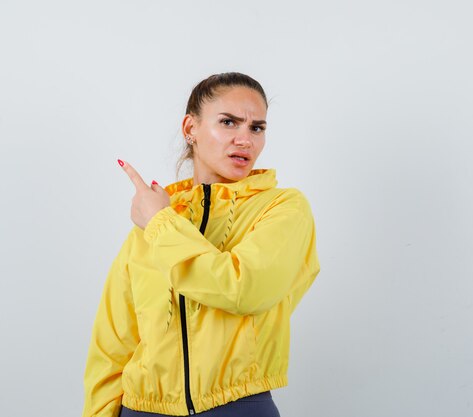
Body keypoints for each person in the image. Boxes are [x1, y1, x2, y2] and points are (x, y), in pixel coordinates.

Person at [82, 72, 321, 417]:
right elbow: (114, 342)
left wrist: (161, 224)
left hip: (237, 407)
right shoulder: (155, 218)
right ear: (190, 128)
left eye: (257, 128)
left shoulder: (283, 208)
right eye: (228, 122)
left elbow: (244, 289)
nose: (245, 140)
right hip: (139, 409)